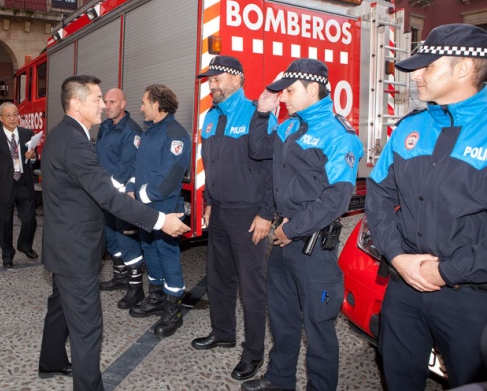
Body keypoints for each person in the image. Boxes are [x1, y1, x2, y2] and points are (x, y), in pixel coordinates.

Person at [37, 75, 190, 389]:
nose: (102, 105)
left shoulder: (62, 134)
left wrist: (127, 191)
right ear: (77, 104)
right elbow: (106, 196)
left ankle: (51, 361)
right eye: (96, 99)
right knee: (87, 327)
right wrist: (160, 220)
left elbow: (99, 183)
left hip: (62, 244)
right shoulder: (76, 141)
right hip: (75, 251)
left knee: (60, 309)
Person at [364, 23, 487, 389]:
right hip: (403, 286)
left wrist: (447, 271)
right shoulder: (410, 127)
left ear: (464, 68)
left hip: (470, 299)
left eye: (428, 66)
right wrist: (398, 256)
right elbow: (379, 195)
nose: (416, 74)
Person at [242, 58, 363, 391]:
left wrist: (289, 230)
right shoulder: (289, 126)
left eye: (290, 91)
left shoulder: (339, 134)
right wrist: (263, 112)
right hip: (285, 241)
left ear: (313, 89)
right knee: (281, 318)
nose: (284, 98)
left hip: (313, 246)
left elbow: (335, 200)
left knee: (319, 328)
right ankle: (280, 381)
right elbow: (258, 151)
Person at [192, 56, 275, 381]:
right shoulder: (210, 117)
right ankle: (222, 332)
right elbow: (210, 163)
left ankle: (253, 353)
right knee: (219, 278)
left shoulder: (257, 113)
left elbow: (270, 167)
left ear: (237, 79)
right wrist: (209, 201)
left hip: (249, 214)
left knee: (252, 287)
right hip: (221, 212)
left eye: (217, 78)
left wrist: (266, 213)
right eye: (209, 80)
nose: (211, 84)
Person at [126, 84, 191, 338]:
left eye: (144, 103)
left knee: (167, 253)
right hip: (144, 208)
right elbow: (137, 165)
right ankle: (155, 297)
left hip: (164, 210)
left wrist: (140, 195)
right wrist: (131, 186)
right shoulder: (150, 132)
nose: (141, 108)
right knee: (149, 249)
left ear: (157, 104)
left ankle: (173, 309)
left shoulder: (176, 134)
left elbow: (169, 178)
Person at [96, 88, 145, 309]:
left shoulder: (131, 131)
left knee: (127, 241)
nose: (107, 106)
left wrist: (108, 189)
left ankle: (136, 289)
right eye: (105, 101)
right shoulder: (105, 127)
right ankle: (120, 276)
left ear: (123, 103)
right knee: (111, 238)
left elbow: (127, 167)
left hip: (122, 196)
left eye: (112, 102)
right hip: (106, 195)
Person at [0, 102, 38, 268]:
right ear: (0, 118)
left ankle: (24, 245)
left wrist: (33, 156)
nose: (12, 118)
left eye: (15, 114)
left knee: (30, 218)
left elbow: (34, 162)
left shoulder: (27, 133)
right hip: (3, 186)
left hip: (23, 183)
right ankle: (7, 254)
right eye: (8, 115)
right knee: (5, 223)